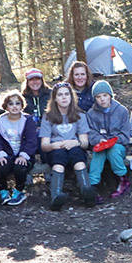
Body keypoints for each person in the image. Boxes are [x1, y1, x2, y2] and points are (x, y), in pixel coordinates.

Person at [40, 82, 95, 210]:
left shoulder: (79, 115)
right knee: (59, 158)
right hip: (56, 150)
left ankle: (87, 192)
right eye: (60, 95)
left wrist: (76, 143)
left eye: (67, 94)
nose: (64, 97)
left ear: (71, 97)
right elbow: (44, 145)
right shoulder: (48, 117)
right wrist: (55, 145)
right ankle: (56, 196)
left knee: (77, 155)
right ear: (54, 98)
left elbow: (85, 142)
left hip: (74, 147)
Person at [85, 80, 132, 199]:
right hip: (101, 145)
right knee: (98, 154)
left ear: (110, 96)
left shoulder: (121, 111)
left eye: (105, 95)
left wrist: (113, 141)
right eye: (98, 97)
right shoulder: (91, 113)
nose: (102, 99)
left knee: (113, 151)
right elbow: (91, 133)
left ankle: (123, 180)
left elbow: (125, 134)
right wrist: (99, 140)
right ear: (95, 98)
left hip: (118, 145)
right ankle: (93, 186)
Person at [0, 90, 39, 206]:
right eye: (11, 104)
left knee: (20, 167)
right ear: (6, 106)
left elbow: (32, 140)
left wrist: (24, 155)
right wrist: (0, 154)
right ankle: (3, 191)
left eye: (17, 103)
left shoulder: (28, 120)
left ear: (22, 105)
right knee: (1, 168)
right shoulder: (0, 122)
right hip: (7, 154)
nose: (14, 106)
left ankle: (19, 191)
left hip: (25, 154)